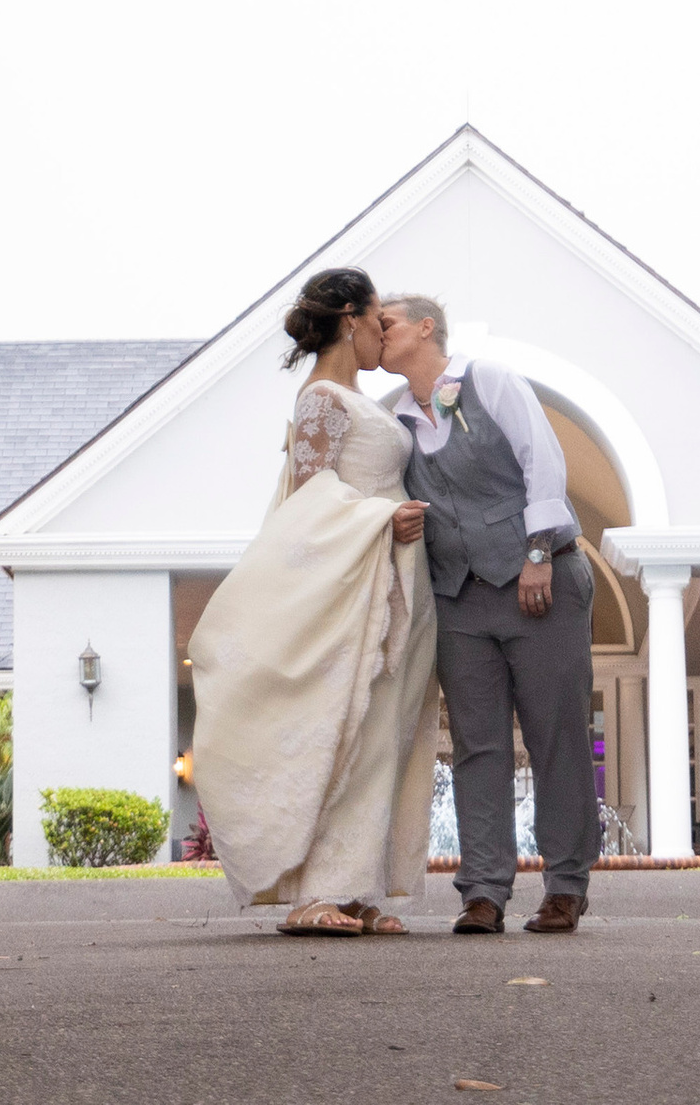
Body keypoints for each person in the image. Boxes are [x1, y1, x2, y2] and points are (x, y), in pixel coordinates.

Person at [187, 267, 439, 936]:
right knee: (346, 723)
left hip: (394, 573)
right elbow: (308, 498)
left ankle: (358, 889)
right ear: (351, 319)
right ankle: (314, 892)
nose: (384, 334)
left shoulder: (360, 400)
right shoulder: (322, 399)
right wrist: (381, 521)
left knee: (386, 732)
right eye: (378, 321)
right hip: (354, 580)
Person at [379, 293, 597, 935]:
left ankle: (565, 884)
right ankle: (483, 891)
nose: (376, 330)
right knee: (476, 745)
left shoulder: (489, 380)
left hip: (540, 579)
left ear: (426, 327)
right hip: (458, 595)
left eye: (386, 320)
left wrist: (537, 554)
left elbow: (543, 462)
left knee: (555, 734)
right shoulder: (395, 420)